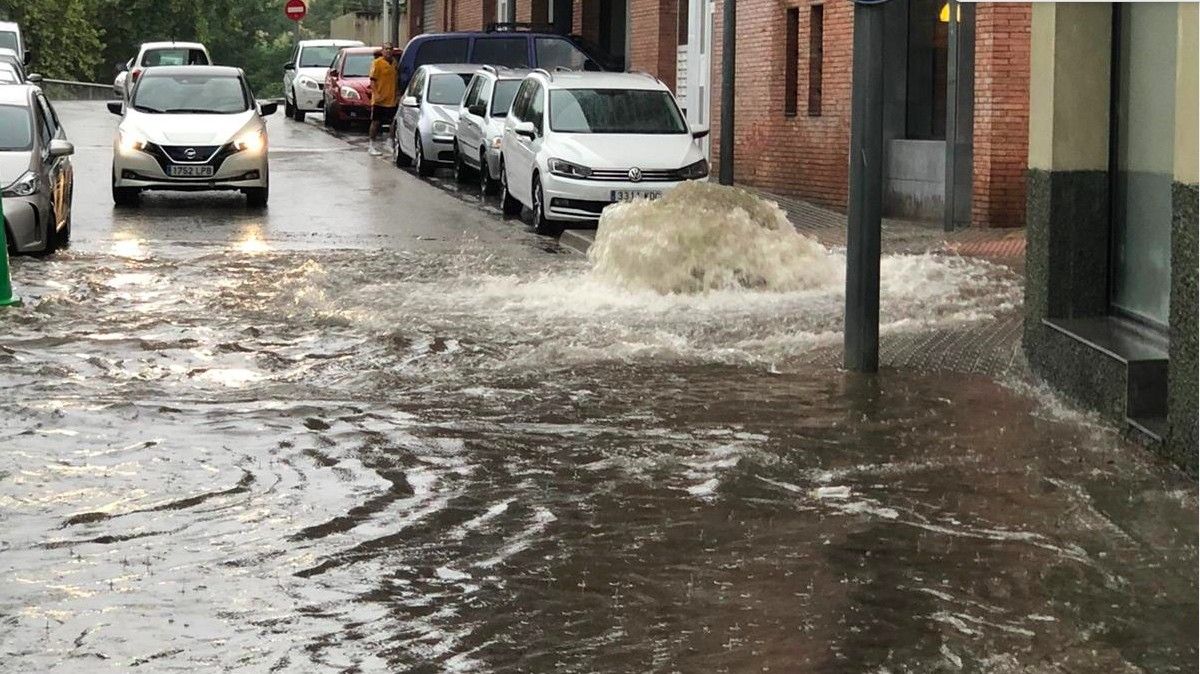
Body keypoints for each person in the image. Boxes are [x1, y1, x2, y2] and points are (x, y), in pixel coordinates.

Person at [367, 43, 398, 156]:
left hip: (392, 99)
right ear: (382, 51)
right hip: (380, 100)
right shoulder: (377, 63)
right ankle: (371, 145)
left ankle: (389, 142)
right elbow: (372, 80)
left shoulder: (394, 63)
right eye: (386, 49)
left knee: (393, 122)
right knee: (376, 122)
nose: (388, 51)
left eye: (390, 49)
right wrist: (376, 94)